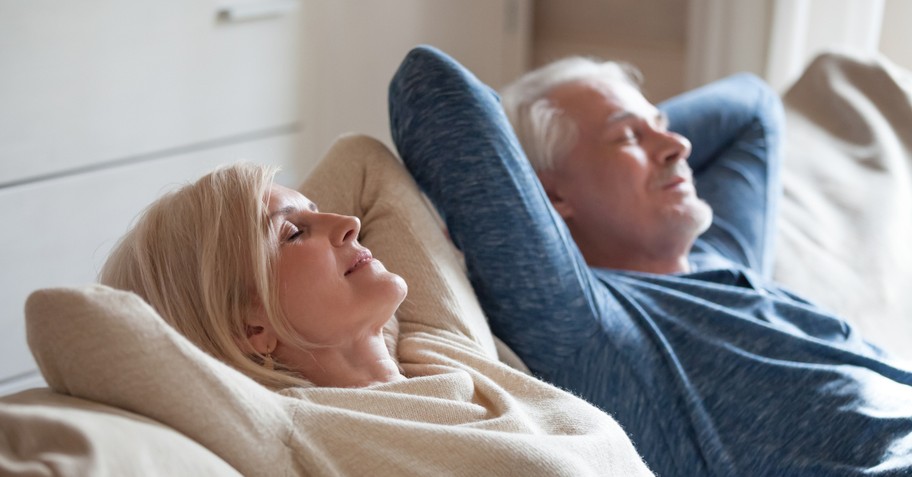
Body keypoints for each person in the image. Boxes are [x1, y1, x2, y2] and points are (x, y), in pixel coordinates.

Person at [389, 45, 912, 476]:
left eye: (662, 122)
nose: (679, 144)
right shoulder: (588, 324)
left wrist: (627, 135)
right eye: (628, 137)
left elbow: (752, 108)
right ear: (548, 199)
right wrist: (541, 164)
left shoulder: (720, 253)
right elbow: (430, 88)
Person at [98, 137, 655, 475]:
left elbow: (362, 160)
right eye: (293, 233)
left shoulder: (434, 346)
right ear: (250, 324)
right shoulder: (291, 430)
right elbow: (70, 325)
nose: (349, 223)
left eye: (320, 212)